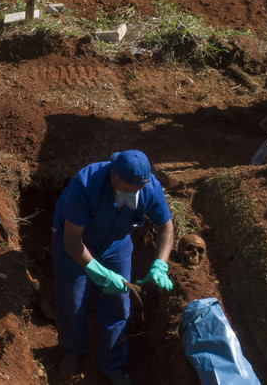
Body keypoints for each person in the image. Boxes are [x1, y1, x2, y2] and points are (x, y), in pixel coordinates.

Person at [51, 150, 175, 385]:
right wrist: (100, 273)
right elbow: (72, 241)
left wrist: (160, 264)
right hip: (76, 240)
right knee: (73, 301)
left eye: (137, 189)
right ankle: (72, 352)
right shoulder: (86, 185)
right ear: (114, 176)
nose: (133, 194)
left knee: (118, 303)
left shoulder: (150, 188)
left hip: (116, 243)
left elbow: (166, 228)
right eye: (127, 189)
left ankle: (112, 363)